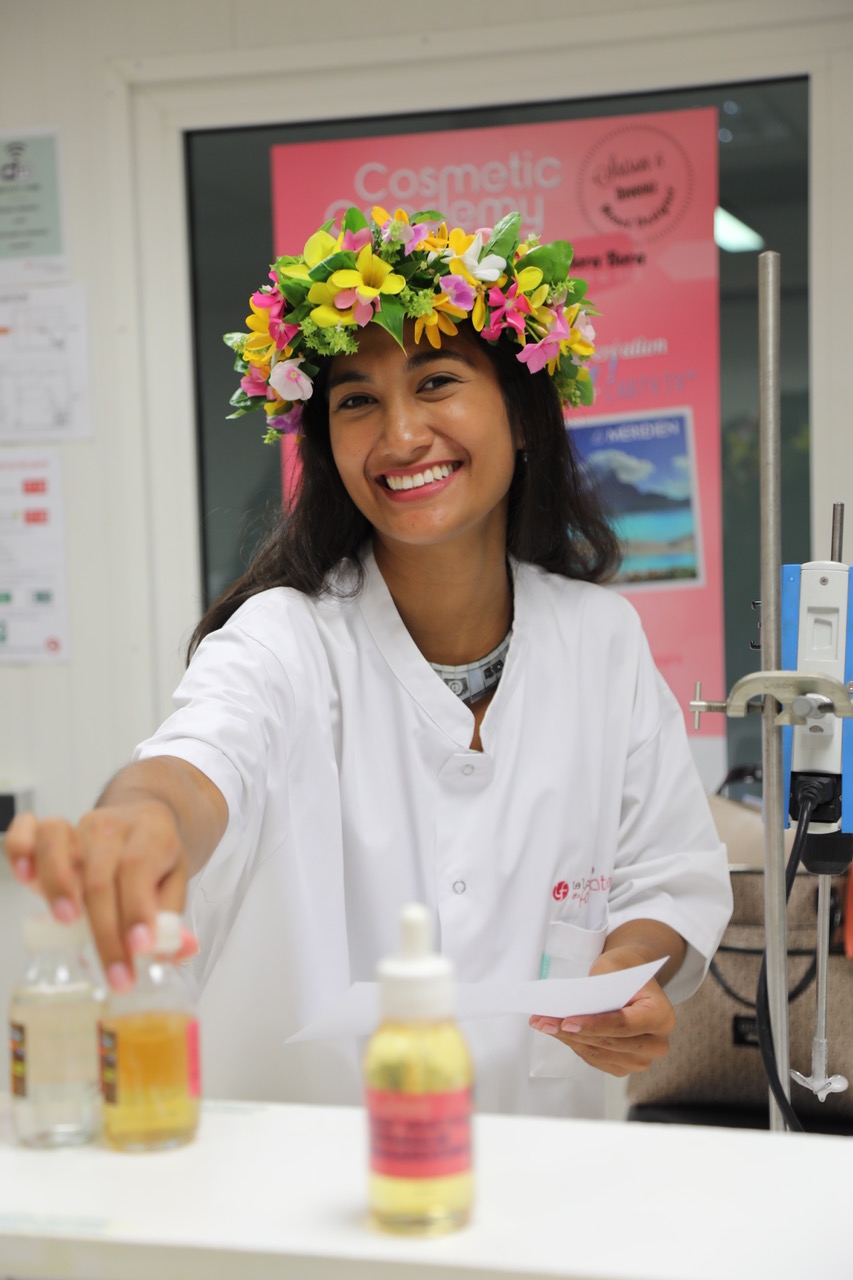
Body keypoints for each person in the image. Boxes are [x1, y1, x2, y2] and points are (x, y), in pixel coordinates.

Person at [6, 206, 732, 1116]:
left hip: (545, 1182)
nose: (398, 436)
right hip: (295, 1193)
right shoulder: (284, 638)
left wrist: (627, 968)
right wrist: (140, 820)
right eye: (355, 400)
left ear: (520, 411)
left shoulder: (601, 641)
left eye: (435, 380)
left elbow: (666, 872)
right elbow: (196, 764)